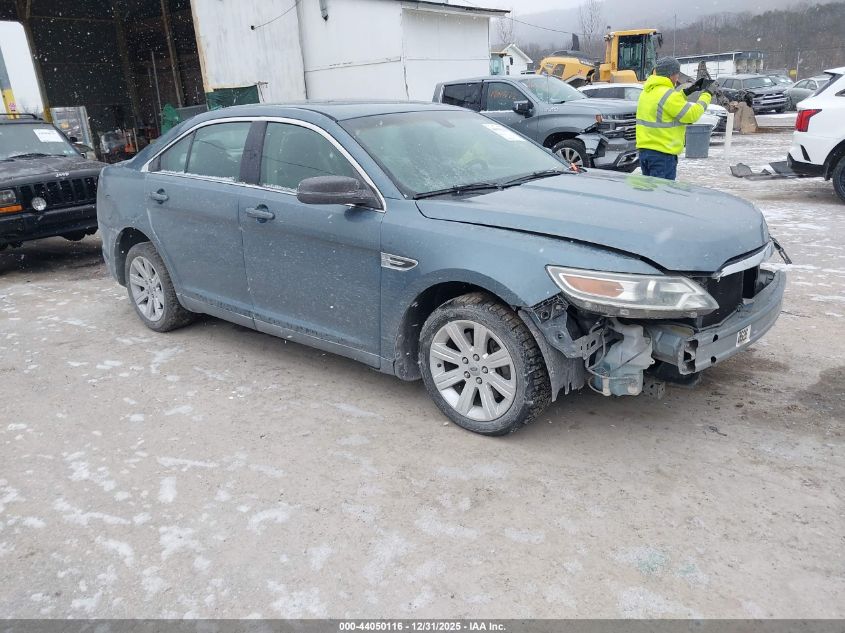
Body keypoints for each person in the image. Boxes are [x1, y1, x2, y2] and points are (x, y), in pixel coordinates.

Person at [636, 56, 713, 180]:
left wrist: (688, 91)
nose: (677, 78)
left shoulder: (648, 91)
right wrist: (707, 95)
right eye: (677, 74)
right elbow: (691, 115)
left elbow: (666, 104)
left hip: (646, 153)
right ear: (671, 75)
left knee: (651, 195)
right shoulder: (669, 95)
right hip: (663, 155)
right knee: (663, 195)